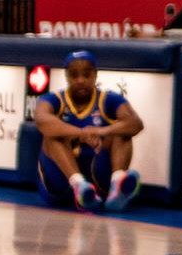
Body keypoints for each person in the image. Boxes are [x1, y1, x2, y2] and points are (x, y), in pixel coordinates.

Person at [34, 51, 144, 212]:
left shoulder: (109, 99)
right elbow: (41, 120)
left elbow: (135, 123)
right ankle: (78, 184)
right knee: (51, 135)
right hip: (60, 182)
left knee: (123, 131)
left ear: (95, 75)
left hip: (98, 179)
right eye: (74, 75)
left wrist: (102, 131)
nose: (80, 81)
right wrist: (81, 133)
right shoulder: (53, 99)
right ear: (66, 76)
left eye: (86, 75)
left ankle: (117, 186)